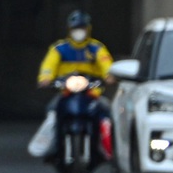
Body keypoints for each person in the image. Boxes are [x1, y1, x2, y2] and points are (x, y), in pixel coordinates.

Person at [36, 10, 114, 160]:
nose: (79, 32)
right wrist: (45, 78)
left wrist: (109, 76)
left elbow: (106, 64)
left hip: (92, 93)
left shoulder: (96, 48)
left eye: (82, 29)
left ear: (88, 30)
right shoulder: (59, 48)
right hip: (66, 91)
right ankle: (51, 147)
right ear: (69, 30)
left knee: (107, 113)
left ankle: (107, 149)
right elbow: (48, 65)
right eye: (76, 29)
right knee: (52, 111)